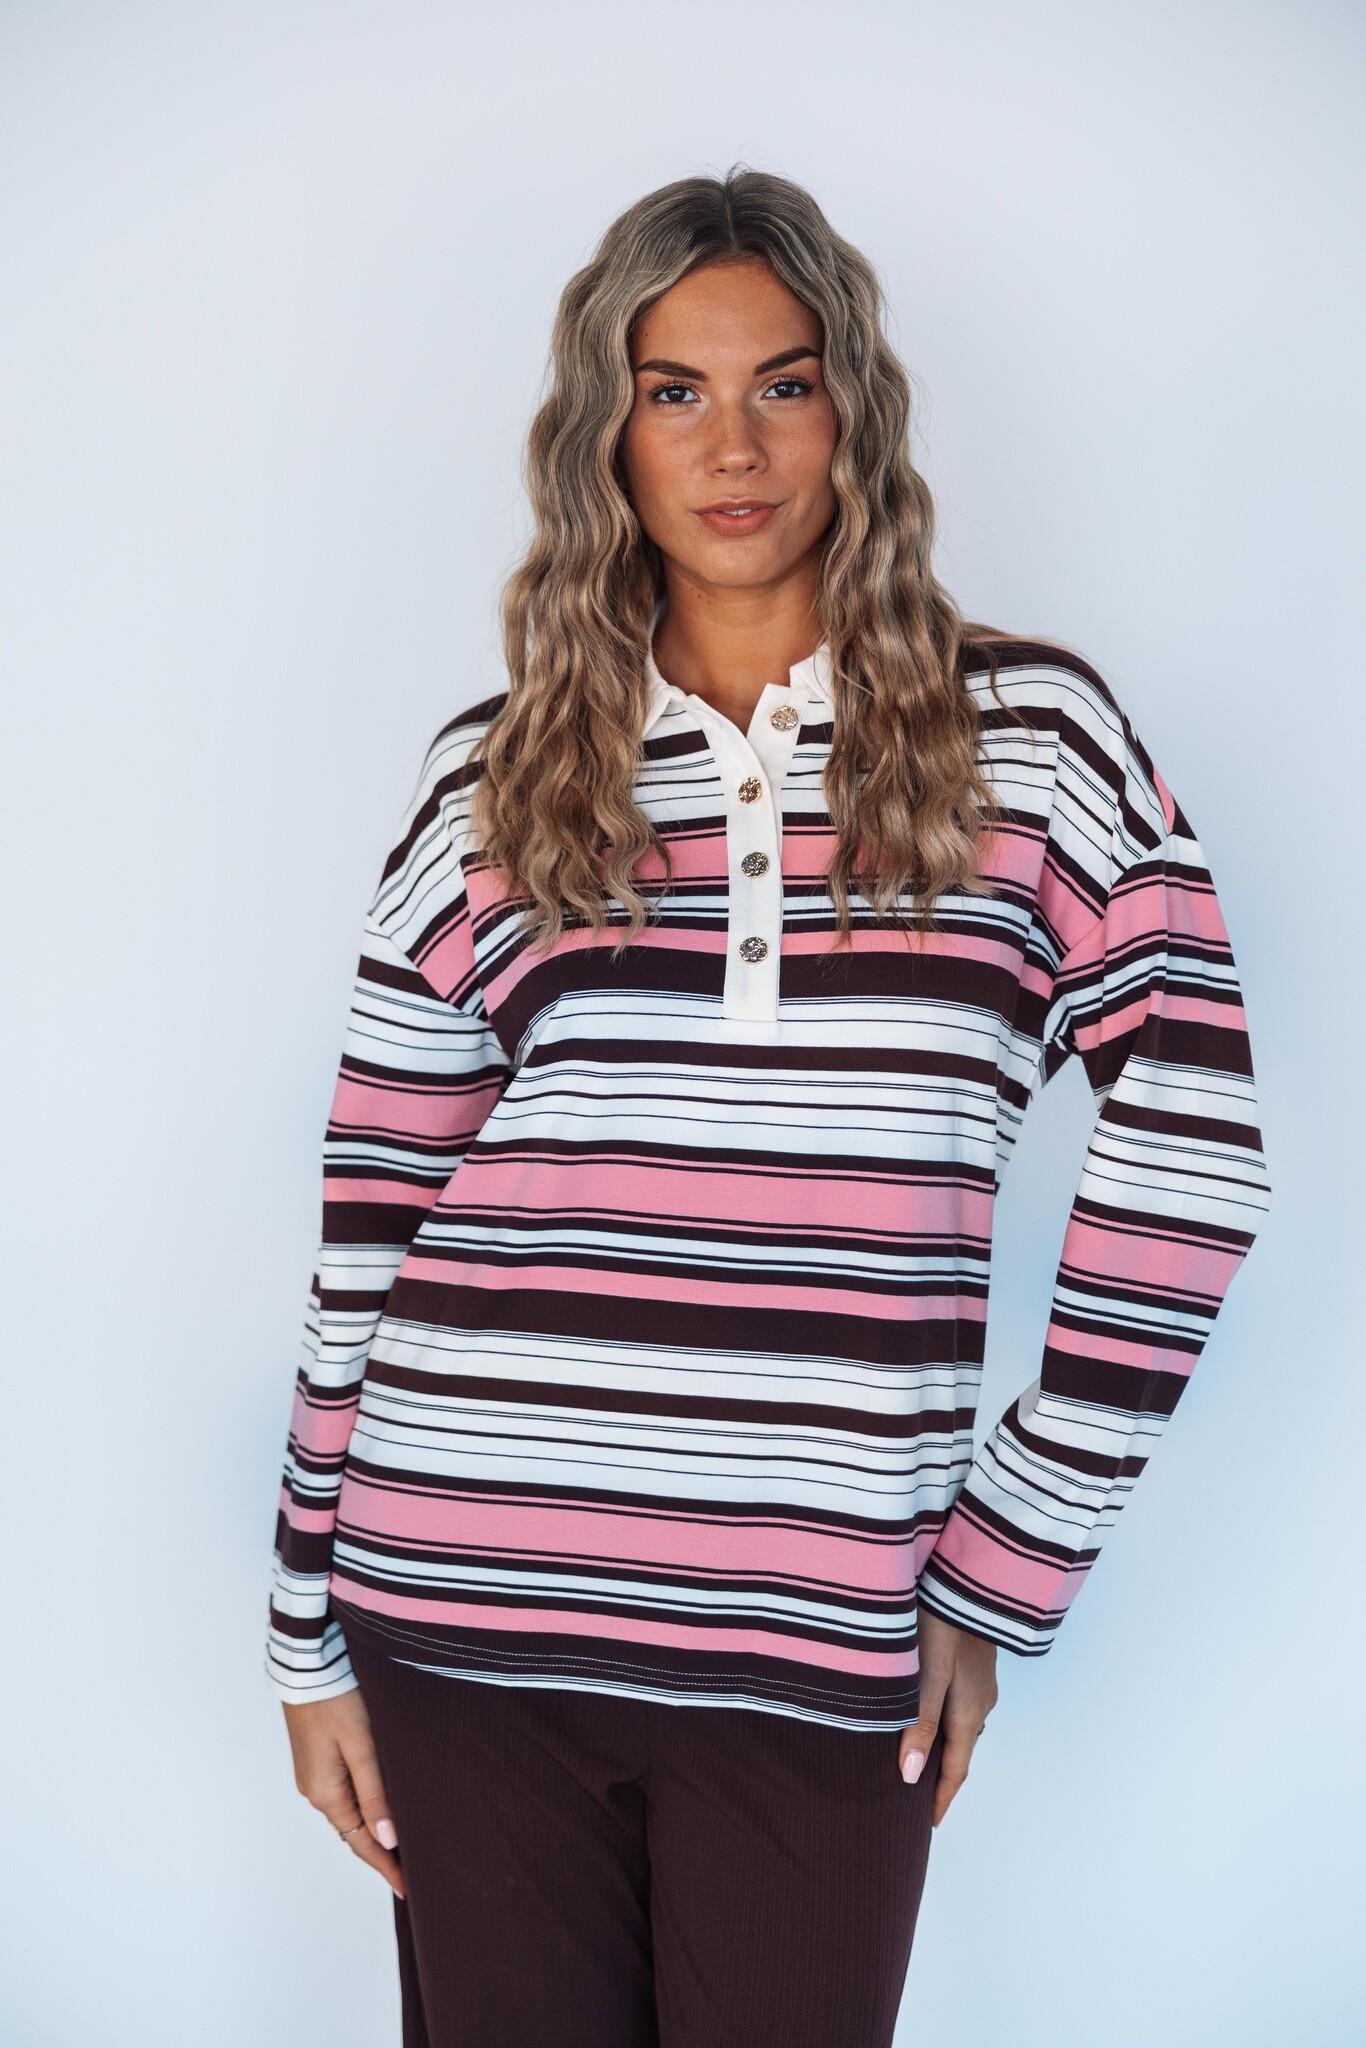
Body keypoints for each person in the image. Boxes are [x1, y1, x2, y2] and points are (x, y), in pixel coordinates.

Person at [264, 168, 1270, 2048]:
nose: (732, 446)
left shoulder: (1032, 747)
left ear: (851, 414)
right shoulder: (495, 777)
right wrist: (304, 1621)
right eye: (675, 392)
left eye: (782, 386)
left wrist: (1001, 1566)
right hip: (466, 1596)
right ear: (606, 435)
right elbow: (373, 1218)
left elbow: (1193, 1154)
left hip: (823, 1632)